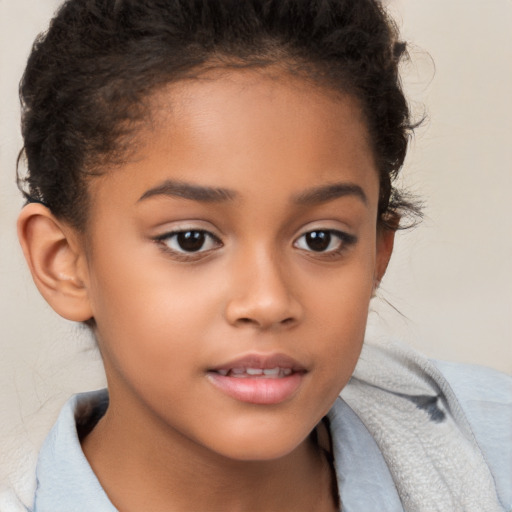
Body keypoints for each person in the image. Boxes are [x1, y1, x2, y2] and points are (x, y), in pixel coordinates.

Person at [10, 0, 511, 510]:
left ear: (378, 254)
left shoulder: (493, 449)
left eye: (321, 239)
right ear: (63, 262)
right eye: (191, 240)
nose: (269, 301)